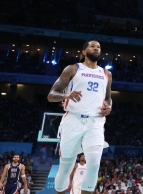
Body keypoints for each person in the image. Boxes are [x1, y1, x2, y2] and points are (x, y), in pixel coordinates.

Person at [47, 40, 112, 194]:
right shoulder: (72, 69)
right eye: (93, 46)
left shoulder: (106, 74)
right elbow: (51, 95)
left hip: (95, 121)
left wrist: (109, 107)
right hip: (73, 119)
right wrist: (67, 95)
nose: (96, 49)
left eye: (99, 47)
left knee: (94, 164)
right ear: (84, 51)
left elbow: (108, 97)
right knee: (66, 167)